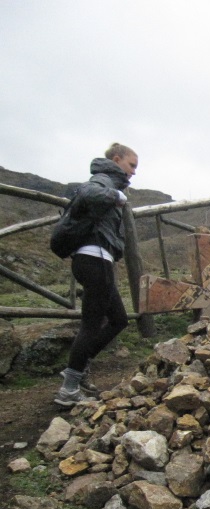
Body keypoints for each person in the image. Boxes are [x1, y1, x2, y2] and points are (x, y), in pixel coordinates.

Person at [54, 143, 137, 407]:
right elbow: (89, 192)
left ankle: (80, 366)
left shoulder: (108, 181)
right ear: (117, 159)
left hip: (96, 261)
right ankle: (68, 390)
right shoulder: (103, 180)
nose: (134, 171)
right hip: (94, 259)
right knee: (91, 324)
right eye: (131, 165)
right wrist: (117, 196)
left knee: (119, 319)